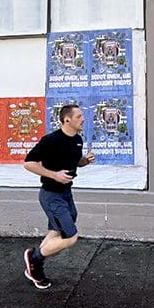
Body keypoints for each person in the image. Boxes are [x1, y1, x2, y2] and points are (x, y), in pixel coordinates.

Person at [23, 104, 95, 289]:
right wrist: (54, 175)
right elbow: (29, 164)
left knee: (57, 231)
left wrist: (84, 161)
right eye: (79, 116)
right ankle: (34, 258)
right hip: (51, 195)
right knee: (71, 237)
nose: (83, 119)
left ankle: (35, 268)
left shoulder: (77, 140)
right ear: (67, 120)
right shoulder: (51, 140)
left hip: (66, 193)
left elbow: (74, 161)